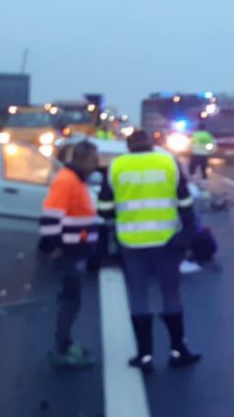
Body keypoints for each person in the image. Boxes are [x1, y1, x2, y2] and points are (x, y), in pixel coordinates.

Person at [98, 129, 202, 370]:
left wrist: (123, 216)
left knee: (138, 295)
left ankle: (144, 355)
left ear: (128, 145)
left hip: (131, 242)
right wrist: (187, 234)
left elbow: (103, 209)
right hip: (166, 240)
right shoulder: (168, 162)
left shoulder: (116, 167)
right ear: (151, 144)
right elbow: (185, 203)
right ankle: (178, 349)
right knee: (170, 293)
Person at [39, 141, 101, 368]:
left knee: (72, 299)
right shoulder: (67, 181)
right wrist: (55, 246)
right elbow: (50, 216)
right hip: (69, 251)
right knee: (70, 300)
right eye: (94, 159)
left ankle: (64, 343)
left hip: (75, 249)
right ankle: (62, 347)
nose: (97, 164)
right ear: (82, 159)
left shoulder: (74, 180)